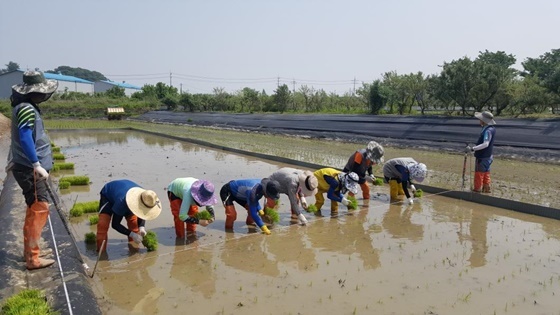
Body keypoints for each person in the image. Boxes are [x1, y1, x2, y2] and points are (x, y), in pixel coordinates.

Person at [9, 71, 58, 270]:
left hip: (29, 167)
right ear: (35, 92)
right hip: (30, 168)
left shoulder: (26, 107)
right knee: (39, 208)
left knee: (34, 207)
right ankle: (33, 258)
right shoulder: (27, 109)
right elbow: (25, 136)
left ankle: (31, 251)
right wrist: (36, 164)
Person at [96, 179, 162, 253]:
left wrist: (141, 227)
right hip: (109, 195)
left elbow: (143, 212)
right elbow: (115, 224)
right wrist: (132, 234)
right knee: (103, 224)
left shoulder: (146, 196)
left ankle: (134, 249)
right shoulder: (122, 202)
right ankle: (101, 252)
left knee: (133, 224)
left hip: (125, 195)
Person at [466, 111, 496, 193]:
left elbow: (486, 144)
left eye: (480, 119)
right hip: (488, 156)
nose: (479, 121)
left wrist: (473, 149)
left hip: (482, 157)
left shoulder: (488, 131)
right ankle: (486, 189)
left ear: (484, 121)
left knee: (479, 174)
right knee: (486, 173)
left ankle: (477, 190)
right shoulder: (491, 128)